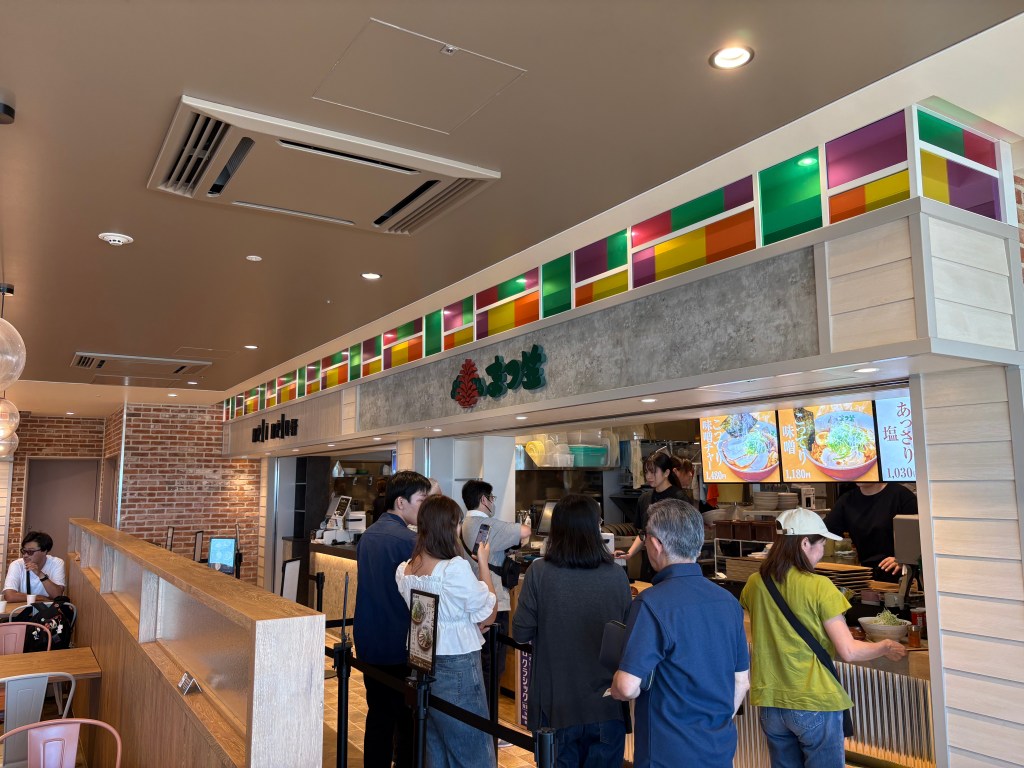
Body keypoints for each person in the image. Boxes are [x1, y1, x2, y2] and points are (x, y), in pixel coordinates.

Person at [740, 508, 906, 767]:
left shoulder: (755, 583)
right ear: (804, 543)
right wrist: (884, 646)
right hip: (813, 699)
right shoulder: (820, 587)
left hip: (771, 702)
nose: (821, 552)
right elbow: (848, 651)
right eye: (822, 544)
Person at [611, 499, 749, 768]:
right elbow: (741, 682)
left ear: (656, 544)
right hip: (719, 749)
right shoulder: (728, 602)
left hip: (666, 752)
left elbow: (627, 686)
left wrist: (615, 687)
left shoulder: (651, 603)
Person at [512, 494, 632, 768]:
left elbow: (520, 632)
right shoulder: (616, 574)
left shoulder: (539, 572)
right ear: (594, 528)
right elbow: (628, 638)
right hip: (606, 706)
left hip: (556, 708)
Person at [396, 495, 497, 768]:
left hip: (422, 661)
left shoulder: (406, 569)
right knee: (474, 749)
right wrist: (484, 563)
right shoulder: (454, 569)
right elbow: (489, 611)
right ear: (448, 527)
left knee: (435, 745)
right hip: (458, 664)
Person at [354, 470, 431, 768]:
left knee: (378, 717)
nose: (424, 506)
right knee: (407, 722)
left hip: (370, 640)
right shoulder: (409, 541)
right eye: (422, 500)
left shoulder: (368, 536)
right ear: (401, 502)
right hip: (400, 644)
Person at [459, 480, 530, 707]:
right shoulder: (487, 525)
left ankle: (483, 722)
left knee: (482, 664)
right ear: (484, 500)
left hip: (474, 600)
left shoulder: (464, 524)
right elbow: (526, 531)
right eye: (492, 498)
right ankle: (490, 730)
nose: (493, 502)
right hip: (493, 602)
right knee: (493, 667)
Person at [825, 482, 918, 582]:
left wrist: (904, 559)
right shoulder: (847, 499)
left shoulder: (901, 496)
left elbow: (920, 536)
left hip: (900, 575)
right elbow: (824, 530)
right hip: (867, 575)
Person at [617, 452, 688, 580]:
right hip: (649, 562)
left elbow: (684, 536)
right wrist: (629, 554)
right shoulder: (644, 498)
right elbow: (643, 534)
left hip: (672, 565)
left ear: (666, 473)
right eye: (646, 472)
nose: (648, 476)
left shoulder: (679, 498)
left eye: (653, 472)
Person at [3, 531, 66, 601]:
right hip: (22, 608)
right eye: (24, 551)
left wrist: (40, 574)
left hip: (48, 610)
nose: (25, 555)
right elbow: (9, 596)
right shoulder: (17, 565)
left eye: (30, 552)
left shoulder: (56, 563)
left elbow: (57, 595)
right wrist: (40, 598)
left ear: (44, 551)